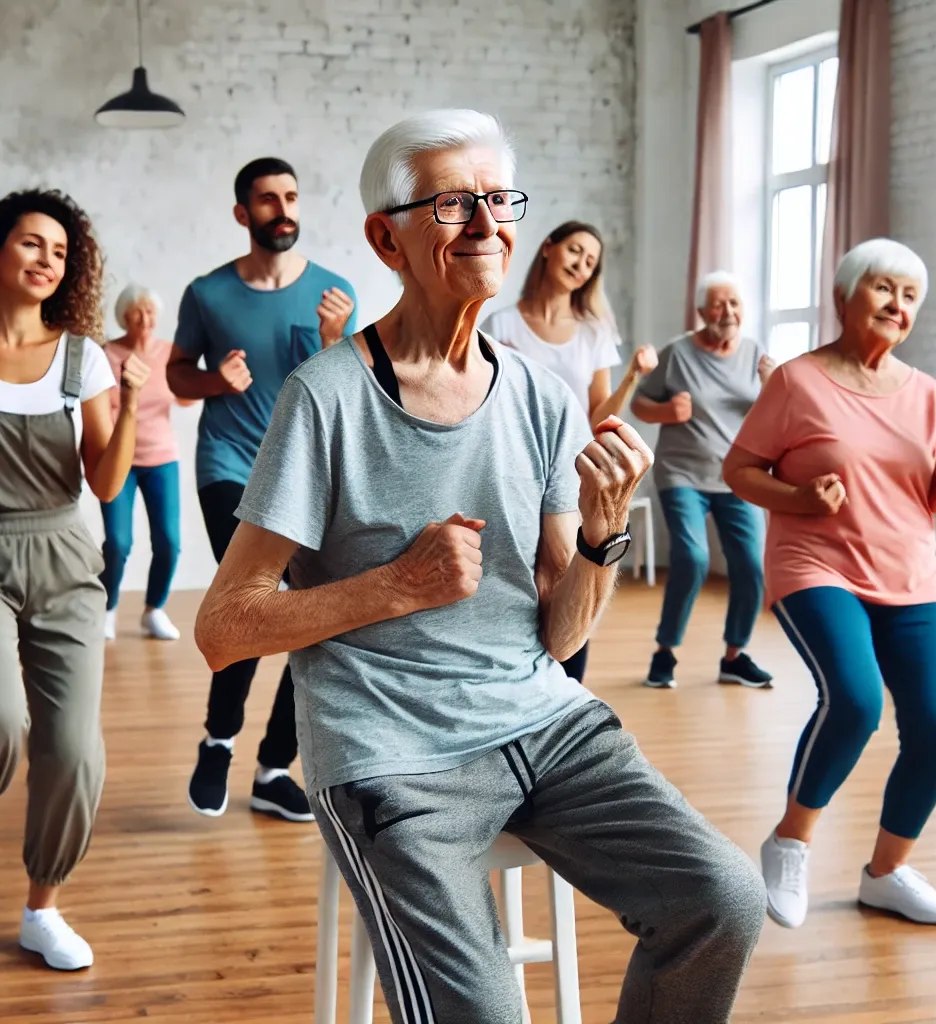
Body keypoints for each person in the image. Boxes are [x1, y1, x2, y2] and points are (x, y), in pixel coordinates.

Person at [195, 109, 766, 1024]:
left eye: (498, 200)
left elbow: (564, 629)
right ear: (388, 237)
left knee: (725, 902)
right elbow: (223, 627)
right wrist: (394, 585)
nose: (488, 223)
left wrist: (601, 534)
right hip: (390, 755)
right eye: (453, 203)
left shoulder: (539, 393)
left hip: (545, 724)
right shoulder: (327, 397)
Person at [723, 238, 936, 929]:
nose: (898, 305)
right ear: (845, 296)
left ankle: (887, 873)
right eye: (884, 288)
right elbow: (739, 470)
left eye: (910, 295)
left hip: (911, 574)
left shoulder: (924, 394)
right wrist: (802, 498)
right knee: (856, 701)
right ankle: (790, 839)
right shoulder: (797, 382)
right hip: (816, 566)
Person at [0, 189, 149, 968]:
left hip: (68, 560)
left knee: (73, 750)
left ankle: (43, 907)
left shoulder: (84, 358)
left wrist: (130, 402)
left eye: (61, 252)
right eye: (32, 244)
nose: (47, 261)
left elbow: (105, 483)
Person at [167, 157, 357, 823]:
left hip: (307, 473)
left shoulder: (334, 293)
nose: (283, 209)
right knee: (248, 602)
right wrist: (214, 381)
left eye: (291, 197)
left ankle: (275, 767)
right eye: (268, 200)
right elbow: (176, 379)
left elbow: (351, 396)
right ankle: (218, 742)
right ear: (243, 214)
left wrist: (337, 341)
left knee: (321, 615)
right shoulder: (207, 294)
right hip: (229, 464)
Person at [481, 220, 658, 683]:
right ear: (547, 248)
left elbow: (599, 413)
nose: (581, 264)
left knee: (570, 578)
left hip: (571, 472)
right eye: (575, 251)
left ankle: (565, 695)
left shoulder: (593, 331)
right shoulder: (501, 324)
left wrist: (632, 377)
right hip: (512, 471)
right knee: (517, 580)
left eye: (591, 261)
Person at [632, 272, 775, 689]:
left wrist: (772, 388)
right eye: (718, 304)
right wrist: (665, 413)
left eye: (734, 303)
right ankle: (665, 652)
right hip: (683, 475)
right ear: (700, 312)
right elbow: (641, 402)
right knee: (692, 558)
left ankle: (735, 656)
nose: (727, 312)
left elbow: (776, 416)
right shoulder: (677, 353)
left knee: (751, 564)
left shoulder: (755, 356)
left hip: (738, 478)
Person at [101, 284, 192, 642]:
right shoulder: (108, 354)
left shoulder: (170, 353)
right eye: (137, 312)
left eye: (150, 312)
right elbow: (103, 411)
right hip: (119, 461)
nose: (145, 319)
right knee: (118, 542)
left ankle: (154, 609)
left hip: (162, 458)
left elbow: (185, 398)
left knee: (169, 541)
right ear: (124, 317)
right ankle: (107, 608)